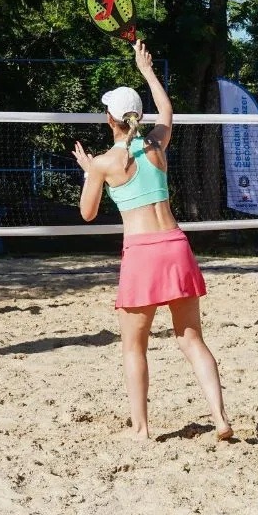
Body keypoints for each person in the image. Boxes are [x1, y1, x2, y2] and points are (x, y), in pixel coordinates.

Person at [72, 41, 233, 442]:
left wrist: (89, 171)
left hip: (142, 253)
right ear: (136, 117)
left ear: (109, 119)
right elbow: (167, 112)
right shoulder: (155, 146)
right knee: (192, 339)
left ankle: (142, 429)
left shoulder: (106, 163)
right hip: (175, 245)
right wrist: (147, 70)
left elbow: (87, 214)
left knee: (134, 348)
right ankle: (220, 418)